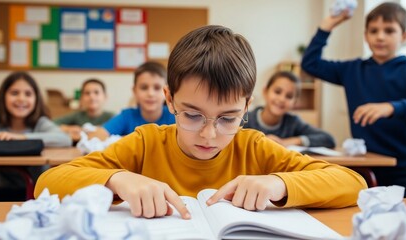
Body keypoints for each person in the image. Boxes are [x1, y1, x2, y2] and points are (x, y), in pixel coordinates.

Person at [35, 25, 367, 219]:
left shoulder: (253, 147)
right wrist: (117, 181)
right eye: (192, 115)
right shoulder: (146, 142)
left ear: (247, 106)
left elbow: (354, 183)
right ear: (169, 99)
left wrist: (279, 184)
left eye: (228, 118)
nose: (209, 134)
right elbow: (47, 184)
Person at [301, 2, 406, 200]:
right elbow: (310, 64)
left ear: (403, 36)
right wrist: (328, 25)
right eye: (373, 30)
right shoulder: (352, 69)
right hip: (364, 165)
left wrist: (390, 107)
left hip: (403, 168)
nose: (380, 36)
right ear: (366, 36)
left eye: (389, 30)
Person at [0, 71, 72, 201]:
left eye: (28, 94)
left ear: (36, 98)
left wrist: (21, 137)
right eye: (14, 93)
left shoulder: (40, 123)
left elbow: (65, 139)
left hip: (36, 192)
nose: (21, 99)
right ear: (3, 96)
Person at [245, 71, 335, 148]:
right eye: (277, 92)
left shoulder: (293, 122)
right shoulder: (245, 119)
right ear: (265, 91)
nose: (282, 99)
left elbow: (328, 139)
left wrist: (289, 142)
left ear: (295, 103)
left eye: (289, 96)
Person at [91, 61, 175, 140]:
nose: (150, 93)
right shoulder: (127, 116)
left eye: (157, 88)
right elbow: (97, 136)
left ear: (166, 92)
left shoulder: (175, 116)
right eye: (144, 87)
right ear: (134, 91)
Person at [54, 78, 114, 143]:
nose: (92, 96)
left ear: (105, 96)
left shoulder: (112, 117)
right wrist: (69, 129)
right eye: (87, 93)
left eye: (96, 92)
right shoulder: (77, 115)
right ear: (81, 98)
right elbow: (51, 124)